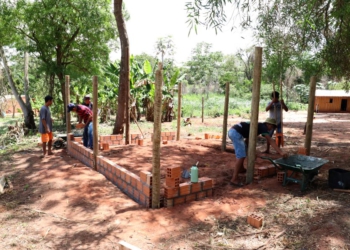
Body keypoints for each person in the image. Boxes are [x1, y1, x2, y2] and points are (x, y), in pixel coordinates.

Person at [228, 118, 288, 186]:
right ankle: (234, 179)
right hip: (236, 133)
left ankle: (241, 169)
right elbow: (270, 141)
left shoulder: (257, 127)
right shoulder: (263, 127)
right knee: (241, 156)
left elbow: (248, 140)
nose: (271, 129)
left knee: (243, 151)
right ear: (268, 124)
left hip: (233, 131)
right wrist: (281, 152)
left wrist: (250, 151)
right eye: (272, 127)